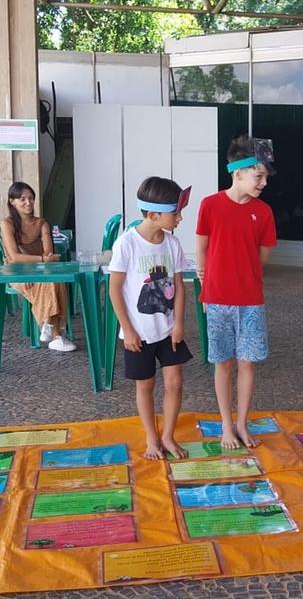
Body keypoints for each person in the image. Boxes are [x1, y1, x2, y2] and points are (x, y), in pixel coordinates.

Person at [195, 135, 278, 449]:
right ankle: (226, 425)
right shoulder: (210, 205)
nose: (263, 182)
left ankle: (242, 423)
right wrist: (205, 287)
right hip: (217, 299)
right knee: (223, 362)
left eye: (266, 177)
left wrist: (246, 275)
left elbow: (263, 256)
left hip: (251, 301)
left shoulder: (264, 212)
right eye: (259, 176)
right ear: (238, 173)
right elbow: (201, 247)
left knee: (248, 363)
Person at [109, 177, 193, 460]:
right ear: (154, 215)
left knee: (175, 382)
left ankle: (168, 436)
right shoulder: (127, 244)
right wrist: (127, 329)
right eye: (176, 213)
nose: (180, 218)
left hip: (169, 331)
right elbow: (115, 289)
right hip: (139, 334)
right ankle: (151, 437)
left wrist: (179, 323)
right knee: (145, 385)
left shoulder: (173, 244)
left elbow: (179, 286)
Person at [0, 181, 76, 352]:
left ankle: (49, 326)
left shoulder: (42, 223)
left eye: (31, 199)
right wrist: (41, 260)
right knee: (51, 280)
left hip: (41, 270)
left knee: (54, 279)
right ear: (12, 201)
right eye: (23, 199)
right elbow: (14, 257)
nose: (28, 203)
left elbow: (49, 253)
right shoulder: (7, 224)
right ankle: (55, 333)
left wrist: (44, 260)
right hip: (17, 272)